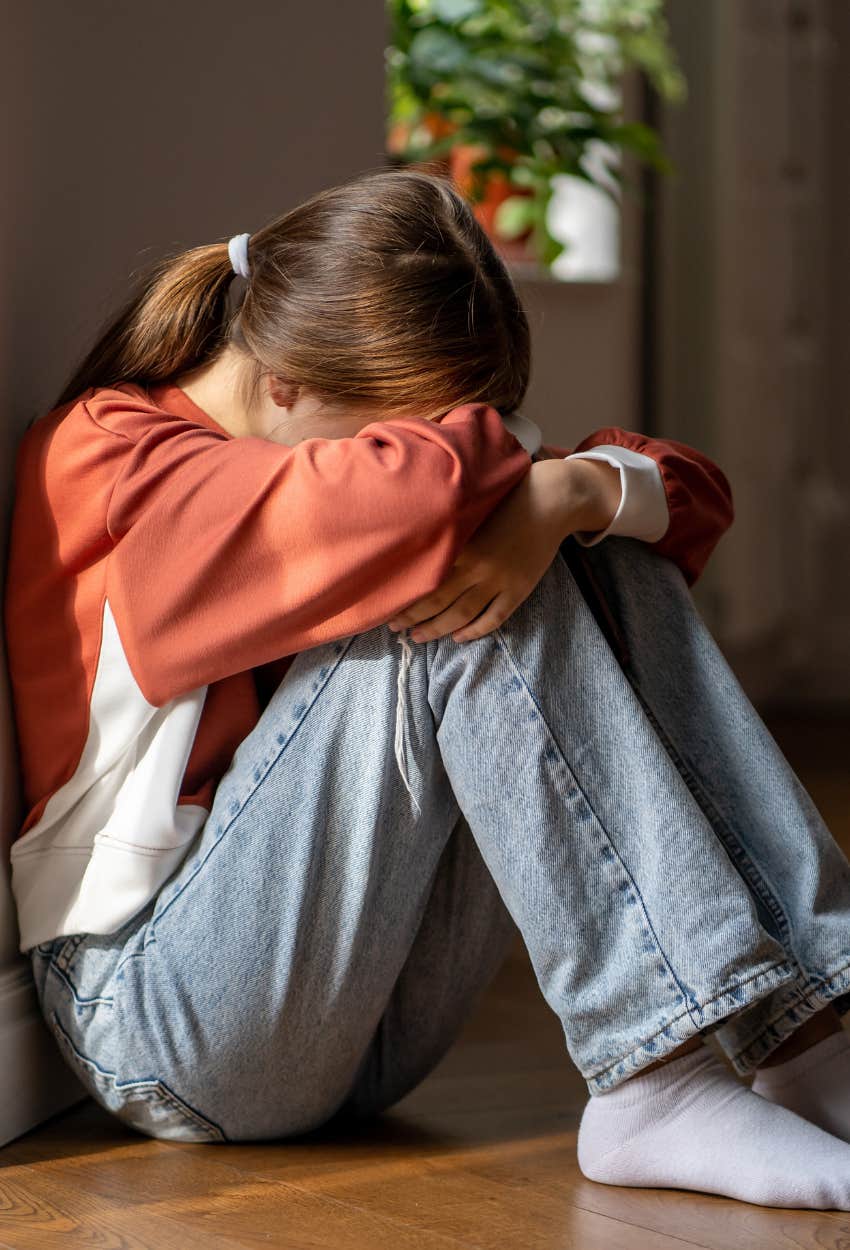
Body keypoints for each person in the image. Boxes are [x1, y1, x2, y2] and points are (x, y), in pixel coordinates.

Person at [5, 167, 850, 1210]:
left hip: (362, 1017)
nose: (435, 445)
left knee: (582, 545)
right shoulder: (114, 459)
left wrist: (572, 491)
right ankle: (656, 1072)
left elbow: (689, 498)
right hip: (157, 1015)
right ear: (283, 383)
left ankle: (809, 1037)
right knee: (459, 586)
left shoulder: (315, 446)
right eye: (402, 427)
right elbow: (421, 494)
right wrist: (542, 483)